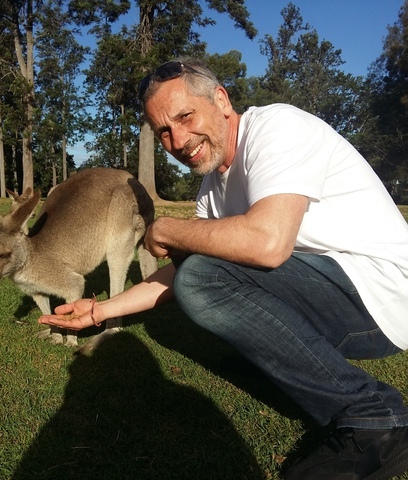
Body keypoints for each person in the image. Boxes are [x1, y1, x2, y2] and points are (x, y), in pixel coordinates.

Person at [39, 58, 408, 479]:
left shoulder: (279, 128)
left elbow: (267, 244)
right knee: (201, 273)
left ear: (221, 100)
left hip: (384, 297)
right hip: (338, 293)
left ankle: (373, 415)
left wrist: (167, 228)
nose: (178, 140)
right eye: (163, 131)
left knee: (204, 276)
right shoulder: (211, 189)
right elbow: (183, 273)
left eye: (185, 116)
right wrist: (101, 310)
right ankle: (279, 364)